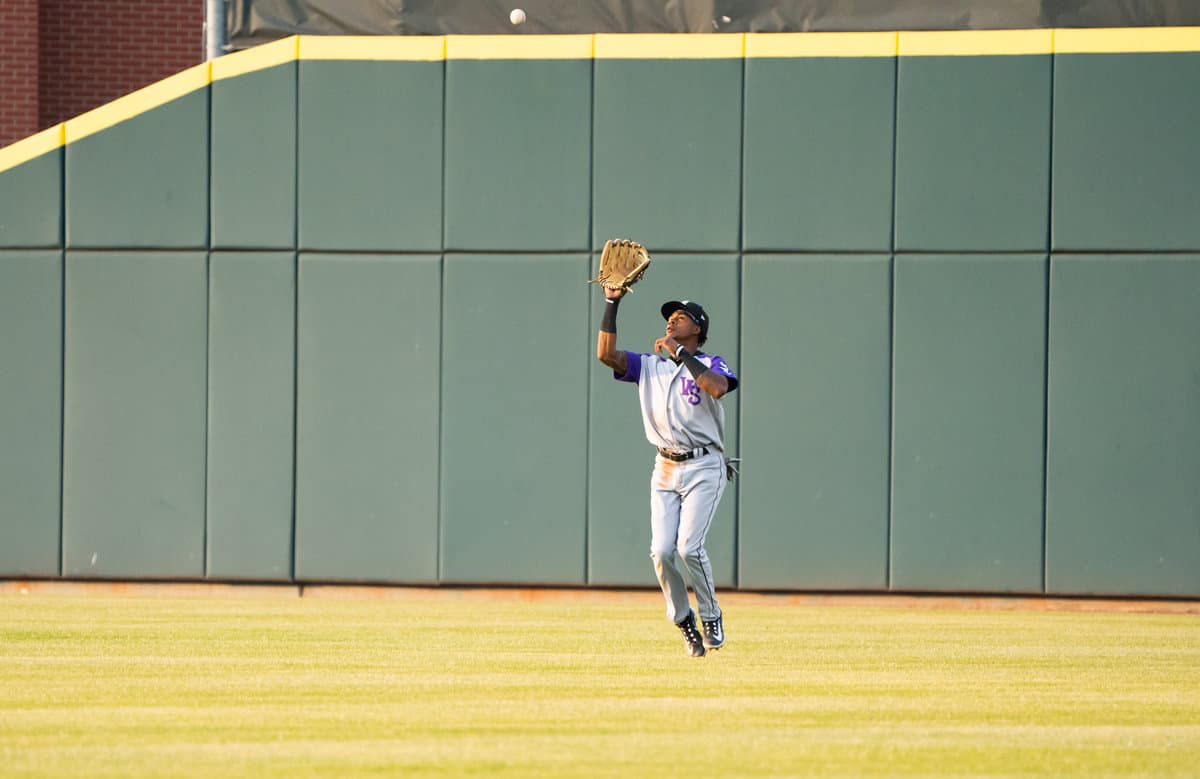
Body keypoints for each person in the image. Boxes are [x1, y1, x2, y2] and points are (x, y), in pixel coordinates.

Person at [596, 284, 739, 657]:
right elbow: (606, 354)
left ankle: (711, 615)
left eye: (682, 316)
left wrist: (678, 353)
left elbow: (717, 388)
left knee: (689, 548)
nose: (673, 319)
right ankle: (685, 621)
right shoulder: (649, 365)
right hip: (664, 467)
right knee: (661, 551)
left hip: (705, 465)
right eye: (670, 316)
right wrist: (612, 303)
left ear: (698, 329)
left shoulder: (712, 363)